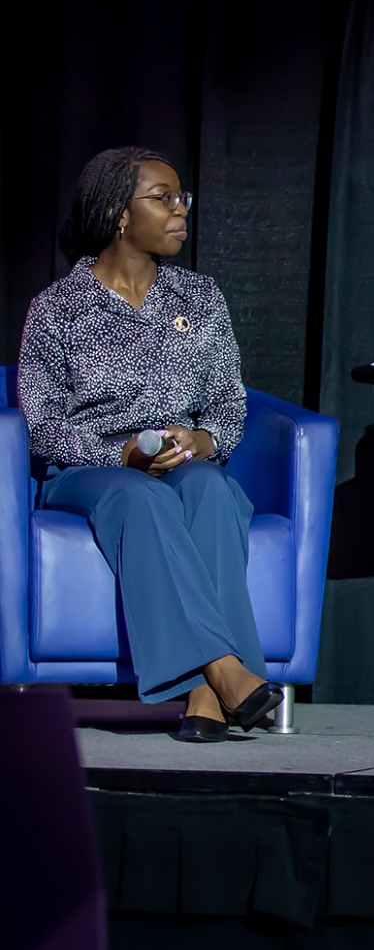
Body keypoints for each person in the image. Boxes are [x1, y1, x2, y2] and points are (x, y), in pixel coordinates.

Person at [16, 147, 281, 743]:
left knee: (213, 489)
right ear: (117, 213)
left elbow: (228, 404)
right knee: (140, 498)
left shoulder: (200, 297)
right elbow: (40, 423)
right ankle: (222, 671)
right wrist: (122, 454)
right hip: (90, 469)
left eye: (182, 197)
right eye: (163, 198)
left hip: (181, 460)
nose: (181, 210)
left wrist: (204, 439)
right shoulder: (57, 308)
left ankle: (205, 698)